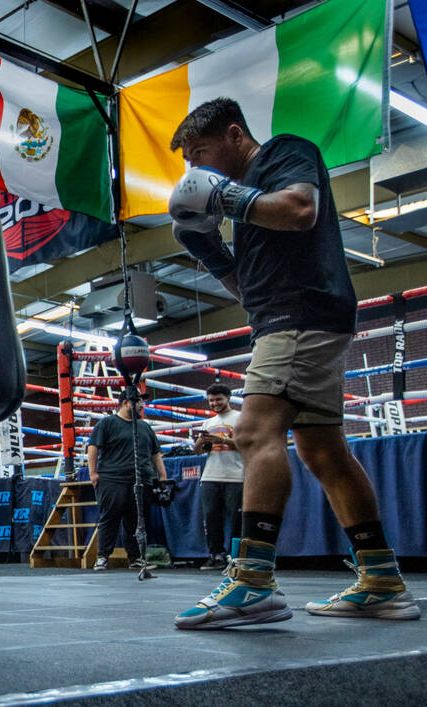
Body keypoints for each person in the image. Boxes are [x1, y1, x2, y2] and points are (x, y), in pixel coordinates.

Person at [168, 98, 419, 628]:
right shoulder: (249, 200)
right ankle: (381, 580)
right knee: (323, 451)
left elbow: (301, 210)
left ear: (234, 135)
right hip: (284, 314)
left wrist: (228, 198)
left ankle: (253, 581)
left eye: (200, 154)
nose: (195, 170)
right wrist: (210, 249)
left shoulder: (284, 154)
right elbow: (248, 287)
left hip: (299, 314)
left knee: (254, 431)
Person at [86, 389, 167, 572]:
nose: (141, 405)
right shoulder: (107, 423)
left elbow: (156, 453)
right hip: (112, 479)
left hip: (142, 480)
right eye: (138, 402)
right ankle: (102, 557)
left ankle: (135, 559)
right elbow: (93, 447)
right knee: (109, 518)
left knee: (137, 521)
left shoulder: (145, 427)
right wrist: (93, 474)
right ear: (125, 403)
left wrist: (163, 476)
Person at [194, 383, 243, 571]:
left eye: (218, 399)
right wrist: (201, 440)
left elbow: (247, 444)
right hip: (210, 476)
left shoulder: (241, 419)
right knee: (211, 518)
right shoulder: (208, 423)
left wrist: (222, 440)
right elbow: (197, 451)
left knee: (236, 519)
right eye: (211, 400)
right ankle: (216, 555)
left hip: (235, 476)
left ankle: (236, 558)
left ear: (228, 398)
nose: (215, 403)